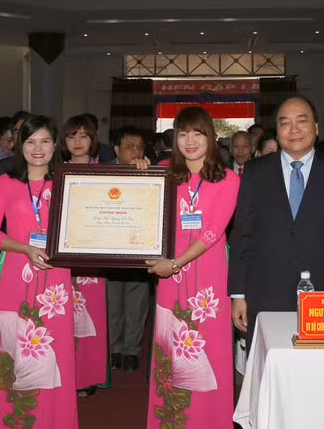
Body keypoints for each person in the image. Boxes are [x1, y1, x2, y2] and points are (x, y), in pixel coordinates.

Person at [133, 107, 239, 429]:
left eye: (197, 133)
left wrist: (175, 263)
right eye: (182, 133)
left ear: (211, 137)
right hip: (170, 277)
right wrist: (139, 170)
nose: (189, 141)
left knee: (210, 354)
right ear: (174, 138)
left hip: (207, 279)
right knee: (171, 354)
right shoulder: (164, 172)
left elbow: (212, 231)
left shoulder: (228, 179)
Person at [228, 96, 324, 347]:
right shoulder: (255, 172)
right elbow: (242, 235)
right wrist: (238, 294)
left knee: (322, 371)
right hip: (266, 290)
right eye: (285, 123)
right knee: (269, 370)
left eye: (302, 121)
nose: (294, 130)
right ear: (277, 130)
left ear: (317, 127)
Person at [0, 115, 78, 428]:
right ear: (20, 145)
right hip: (15, 277)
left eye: (45, 141)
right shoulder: (5, 182)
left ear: (56, 145)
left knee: (55, 355)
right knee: (17, 354)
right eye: (30, 141)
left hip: (56, 281)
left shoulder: (68, 181)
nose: (38, 148)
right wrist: (25, 248)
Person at [60, 114, 109, 397]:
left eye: (83, 136)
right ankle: (64, 375)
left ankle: (86, 377)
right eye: (71, 136)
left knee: (90, 318)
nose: (77, 142)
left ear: (93, 140)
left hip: (93, 255)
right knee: (60, 315)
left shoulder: (107, 171)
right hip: (61, 255)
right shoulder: (54, 172)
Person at [106, 125, 151, 371]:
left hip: (140, 247)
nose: (135, 151)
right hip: (110, 247)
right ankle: (114, 348)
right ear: (116, 149)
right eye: (129, 146)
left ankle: (131, 349)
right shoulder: (103, 172)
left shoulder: (150, 172)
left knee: (137, 301)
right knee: (113, 301)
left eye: (139, 146)